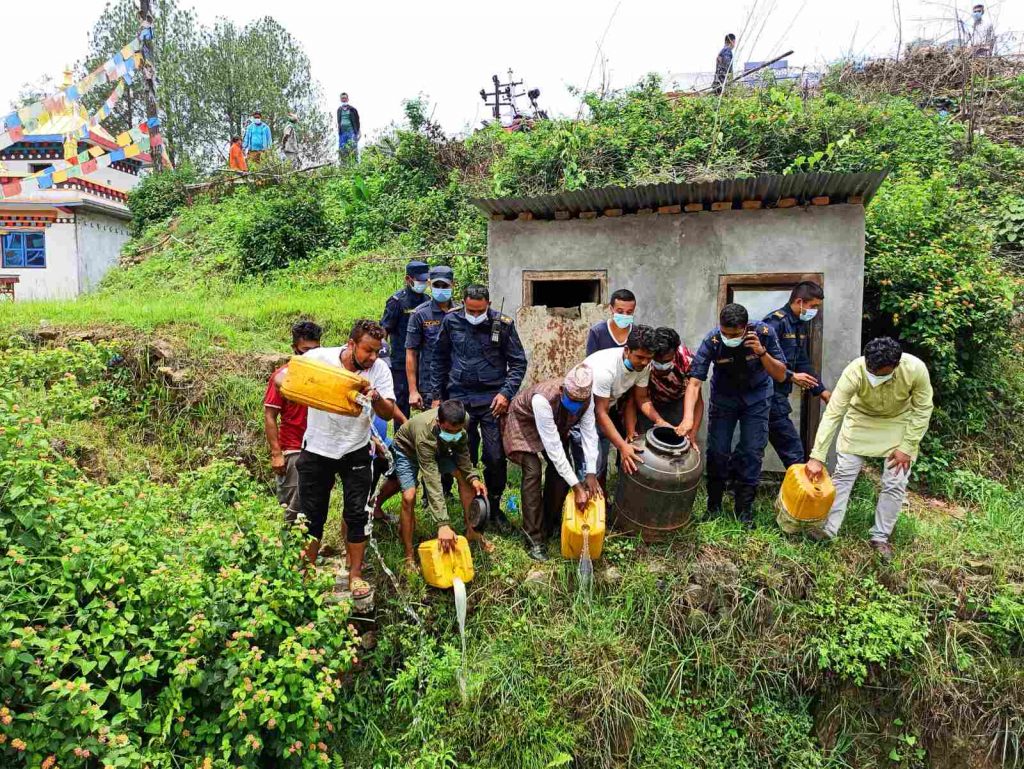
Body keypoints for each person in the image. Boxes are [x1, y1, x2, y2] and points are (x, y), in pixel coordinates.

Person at [281, 319, 401, 601]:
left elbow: (388, 412)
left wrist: (375, 396)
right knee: (311, 514)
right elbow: (284, 377)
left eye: (377, 351)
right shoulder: (320, 359)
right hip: (317, 449)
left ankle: (355, 574)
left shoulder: (379, 370)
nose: (372, 357)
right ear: (351, 345)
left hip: (356, 450)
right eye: (368, 351)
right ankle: (307, 570)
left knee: (357, 513)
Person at [805, 337, 934, 561]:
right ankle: (828, 530)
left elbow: (923, 409)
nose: (873, 373)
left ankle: (880, 537)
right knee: (844, 474)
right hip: (860, 420)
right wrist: (817, 456)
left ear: (895, 365)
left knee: (895, 481)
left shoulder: (915, 369)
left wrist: (907, 446)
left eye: (880, 371)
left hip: (897, 423)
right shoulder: (854, 371)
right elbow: (833, 413)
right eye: (870, 369)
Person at [430, 284, 528, 534]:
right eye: (470, 310)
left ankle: (494, 507)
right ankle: (467, 503)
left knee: (495, 456)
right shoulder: (451, 321)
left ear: (489, 304)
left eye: (479, 310)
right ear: (463, 303)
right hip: (459, 398)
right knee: (463, 452)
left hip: (491, 400)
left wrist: (506, 394)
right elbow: (439, 359)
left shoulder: (503, 324)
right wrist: (436, 397)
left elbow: (518, 363)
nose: (475, 316)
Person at [679, 304, 787, 527]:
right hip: (724, 399)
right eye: (725, 333)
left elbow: (780, 374)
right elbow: (695, 381)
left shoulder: (764, 334)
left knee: (752, 450)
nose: (729, 338)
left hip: (756, 398)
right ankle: (714, 506)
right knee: (718, 451)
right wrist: (688, 418)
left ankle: (744, 510)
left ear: (746, 328)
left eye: (735, 334)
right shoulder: (713, 341)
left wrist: (762, 353)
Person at [503, 364, 603, 561]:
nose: (576, 404)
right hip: (525, 421)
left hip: (555, 424)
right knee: (533, 470)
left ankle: (549, 524)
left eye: (579, 401)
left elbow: (590, 434)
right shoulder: (543, 399)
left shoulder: (586, 400)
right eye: (572, 399)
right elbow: (554, 448)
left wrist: (590, 472)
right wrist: (577, 487)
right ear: (562, 390)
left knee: (560, 474)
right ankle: (534, 538)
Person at [391, 400, 491, 570]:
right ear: (438, 422)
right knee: (409, 496)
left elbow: (462, 451)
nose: (454, 434)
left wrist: (473, 477)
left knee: (465, 481)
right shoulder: (425, 434)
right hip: (407, 450)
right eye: (448, 431)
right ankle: (408, 555)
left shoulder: (463, 419)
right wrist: (443, 524)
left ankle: (473, 533)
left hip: (438, 448)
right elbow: (432, 480)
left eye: (457, 431)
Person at [584, 324, 673, 489]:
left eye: (649, 358)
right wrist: (623, 446)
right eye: (640, 357)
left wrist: (659, 421)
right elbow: (600, 412)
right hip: (581, 415)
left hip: (600, 414)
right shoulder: (606, 369)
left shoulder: (643, 366)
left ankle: (600, 506)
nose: (645, 362)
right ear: (626, 350)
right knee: (590, 466)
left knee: (600, 463)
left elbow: (642, 398)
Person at [762, 282, 832, 468]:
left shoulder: (798, 325)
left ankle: (733, 485)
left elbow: (802, 362)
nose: (815, 310)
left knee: (752, 447)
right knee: (793, 451)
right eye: (813, 306)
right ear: (800, 301)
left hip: (778, 395)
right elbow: (759, 360)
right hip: (766, 395)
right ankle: (801, 494)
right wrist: (791, 376)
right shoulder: (775, 323)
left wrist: (822, 392)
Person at [263, 321, 322, 523]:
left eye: (315, 350)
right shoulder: (282, 376)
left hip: (319, 448)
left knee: (315, 506)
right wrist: (276, 453)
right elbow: (270, 415)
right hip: (293, 449)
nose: (310, 355)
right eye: (305, 350)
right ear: (295, 348)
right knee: (294, 509)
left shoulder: (326, 375)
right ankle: (289, 550)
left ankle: (308, 552)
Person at [623, 326, 703, 444]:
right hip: (647, 405)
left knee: (678, 442)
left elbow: (697, 400)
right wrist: (631, 431)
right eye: (657, 360)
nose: (661, 365)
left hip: (677, 404)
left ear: (675, 353)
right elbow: (633, 399)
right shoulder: (643, 360)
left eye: (666, 361)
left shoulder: (687, 361)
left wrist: (693, 432)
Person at [380, 260, 431, 417]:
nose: (423, 283)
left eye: (425, 280)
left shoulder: (428, 301)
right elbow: (384, 331)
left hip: (423, 362)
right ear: (408, 279)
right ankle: (401, 439)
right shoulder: (396, 302)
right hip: (401, 362)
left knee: (427, 404)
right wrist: (383, 357)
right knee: (402, 405)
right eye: (419, 280)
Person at [406, 265, 456, 412]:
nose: (440, 288)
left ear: (453, 285)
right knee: (433, 429)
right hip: (430, 386)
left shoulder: (461, 312)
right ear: (429, 284)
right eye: (436, 285)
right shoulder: (420, 315)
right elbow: (411, 353)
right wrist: (413, 391)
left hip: (457, 384)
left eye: (445, 285)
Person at [586, 288, 637, 354]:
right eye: (620, 311)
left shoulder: (637, 334)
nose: (625, 315)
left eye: (629, 312)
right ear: (611, 309)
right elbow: (590, 361)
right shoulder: (597, 332)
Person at [337, 93, 361, 161]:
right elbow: (339, 121)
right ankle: (343, 167)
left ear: (347, 99)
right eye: (342, 98)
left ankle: (355, 166)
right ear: (340, 100)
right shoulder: (339, 110)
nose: (343, 100)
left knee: (353, 149)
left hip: (351, 132)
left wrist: (359, 132)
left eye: (345, 98)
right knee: (342, 150)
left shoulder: (353, 110)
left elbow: (357, 121)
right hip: (342, 133)